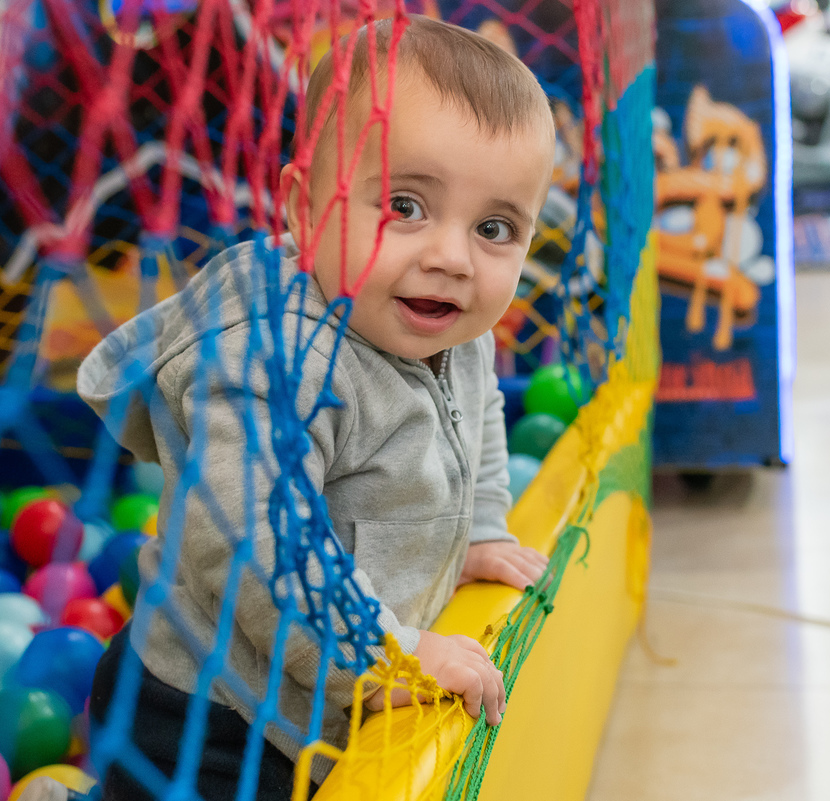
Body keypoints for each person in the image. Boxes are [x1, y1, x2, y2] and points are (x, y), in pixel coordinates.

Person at [77, 15, 557, 800]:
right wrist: (383, 655)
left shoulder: (454, 329)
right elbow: (253, 549)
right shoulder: (270, 361)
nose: (451, 256)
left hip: (320, 694)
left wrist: (478, 527)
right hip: (209, 716)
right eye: (405, 205)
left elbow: (481, 422)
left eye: (495, 227)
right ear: (305, 208)